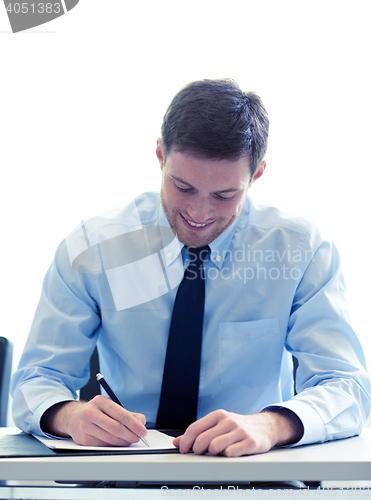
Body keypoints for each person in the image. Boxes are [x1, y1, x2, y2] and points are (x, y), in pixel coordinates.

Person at [11, 79, 371, 458]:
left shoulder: (301, 249)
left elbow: (346, 385)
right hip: (121, 470)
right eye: (183, 187)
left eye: (224, 195)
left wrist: (271, 424)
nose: (199, 214)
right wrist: (68, 416)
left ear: (257, 174)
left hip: (251, 467)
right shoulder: (93, 247)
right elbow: (35, 381)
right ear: (159, 155)